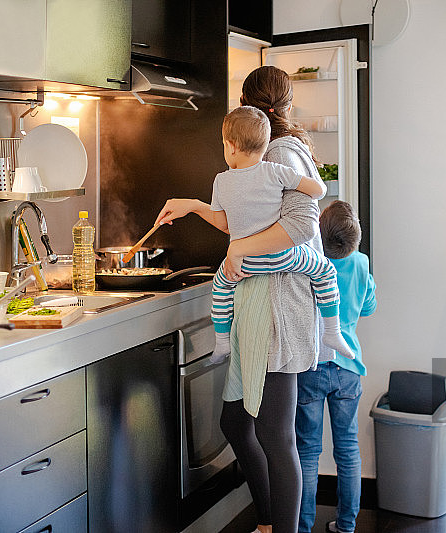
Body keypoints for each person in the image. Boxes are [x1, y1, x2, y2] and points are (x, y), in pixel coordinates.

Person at [156, 65, 324, 533]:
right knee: (238, 423)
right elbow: (238, 220)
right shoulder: (258, 158)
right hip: (254, 308)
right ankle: (271, 520)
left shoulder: (282, 153)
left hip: (279, 308)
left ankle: (278, 525)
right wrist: (192, 206)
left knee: (275, 435)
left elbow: (303, 226)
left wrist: (241, 249)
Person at [207, 105, 354, 362]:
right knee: (325, 271)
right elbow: (317, 190)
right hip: (284, 256)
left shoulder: (220, 181)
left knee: (220, 287)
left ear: (230, 146)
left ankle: (221, 343)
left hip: (246, 264)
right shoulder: (275, 171)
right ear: (265, 147)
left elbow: (222, 223)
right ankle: (332, 331)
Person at [295, 200, 376, 533]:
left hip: (312, 364)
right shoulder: (360, 262)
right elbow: (368, 306)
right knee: (347, 448)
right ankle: (346, 525)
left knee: (307, 451)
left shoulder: (309, 262)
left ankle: (301, 526)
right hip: (348, 367)